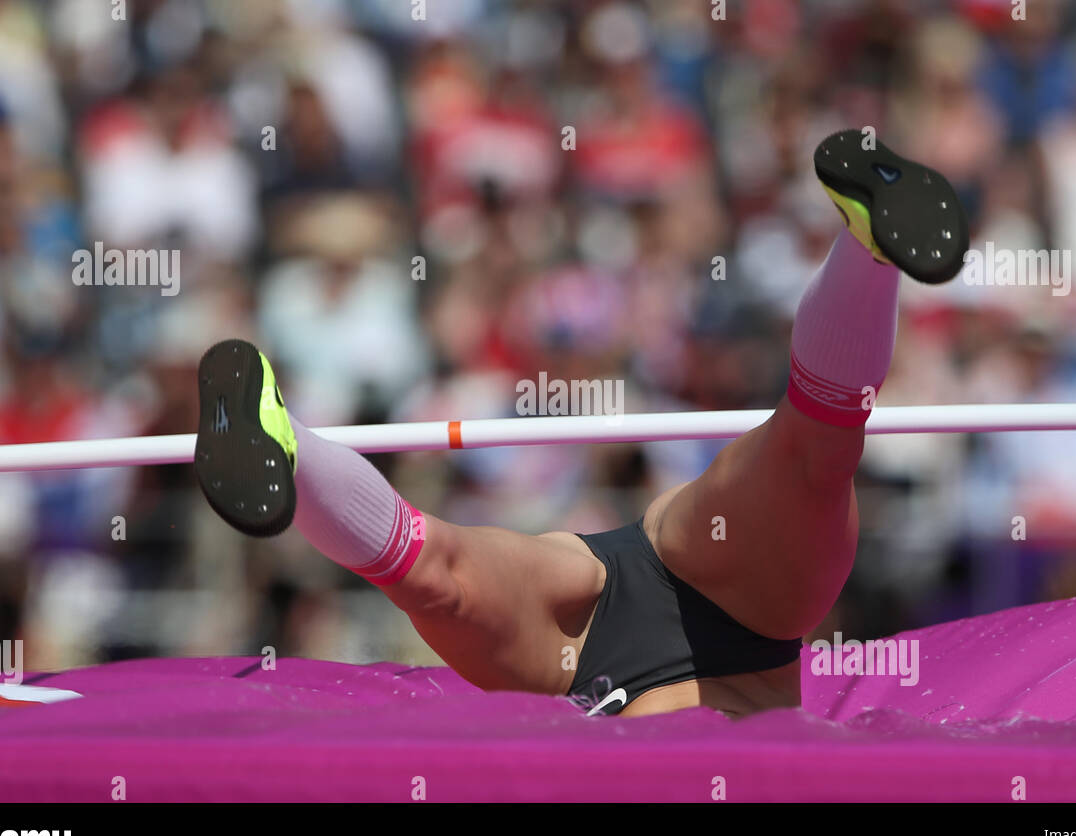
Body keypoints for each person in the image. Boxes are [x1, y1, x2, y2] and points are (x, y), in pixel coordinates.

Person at [192, 130, 968, 717]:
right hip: (676, 610)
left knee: (433, 577)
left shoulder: (631, 401)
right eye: (560, 346)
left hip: (612, 631)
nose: (570, 362)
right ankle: (285, 443)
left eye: (583, 345)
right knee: (816, 451)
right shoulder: (490, 394)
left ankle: (288, 440)